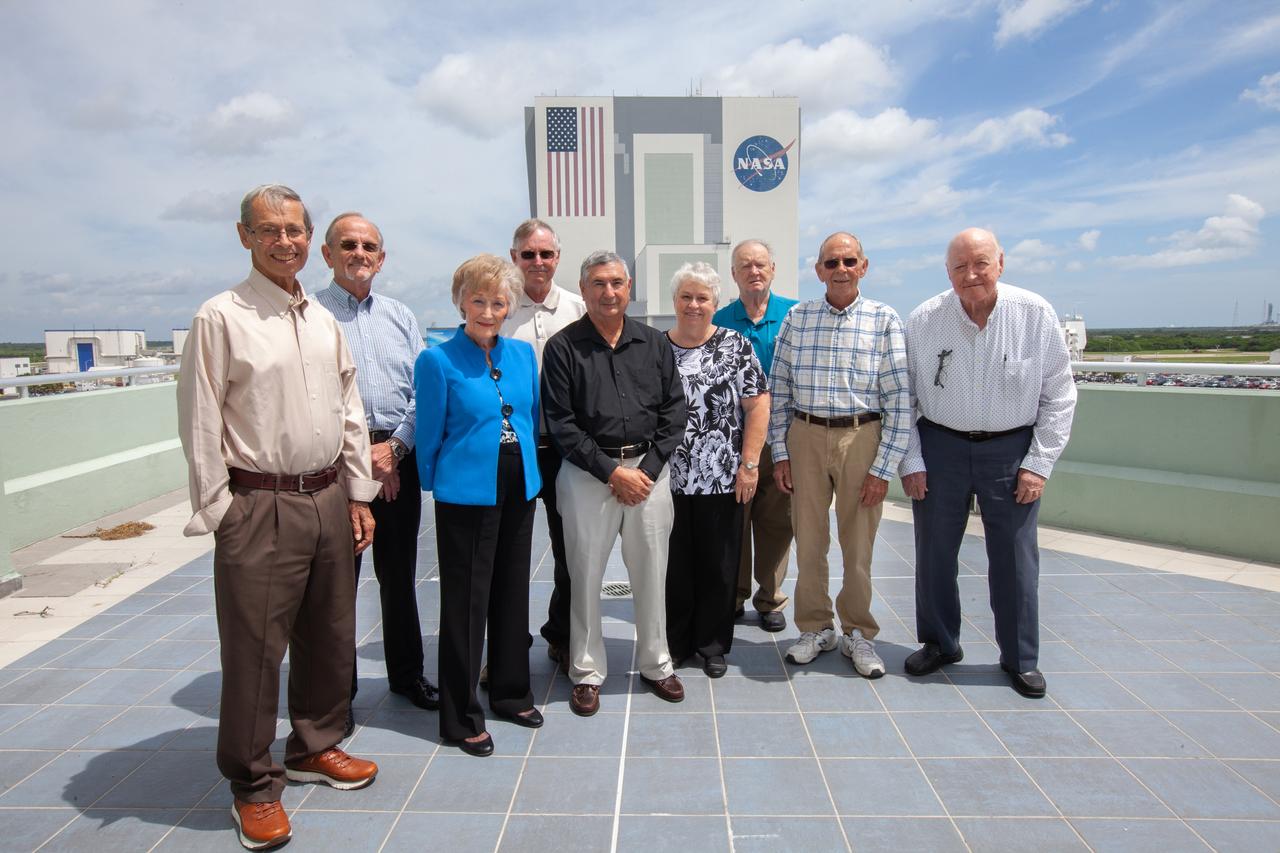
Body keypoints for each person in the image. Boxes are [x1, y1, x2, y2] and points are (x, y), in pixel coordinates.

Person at [177, 184, 380, 851]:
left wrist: (356, 492)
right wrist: (220, 511)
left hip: (326, 496)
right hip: (258, 500)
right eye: (270, 230)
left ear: (307, 235)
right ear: (245, 237)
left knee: (330, 631)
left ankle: (315, 744)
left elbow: (349, 410)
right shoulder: (222, 316)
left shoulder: (320, 319)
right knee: (256, 650)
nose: (284, 241)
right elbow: (202, 418)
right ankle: (253, 782)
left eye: (294, 229)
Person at [900, 227, 1076, 698]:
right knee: (934, 554)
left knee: (1015, 559)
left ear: (1001, 262)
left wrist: (1038, 463)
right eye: (960, 266)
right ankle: (940, 642)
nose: (971, 274)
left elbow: (1059, 394)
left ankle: (1019, 657)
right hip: (940, 447)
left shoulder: (1034, 314)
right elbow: (904, 398)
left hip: (1011, 450)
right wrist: (911, 460)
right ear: (947, 272)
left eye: (980, 263)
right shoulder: (924, 319)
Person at [542, 251, 688, 715]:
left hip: (649, 475)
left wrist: (645, 471)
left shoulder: (653, 343)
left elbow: (674, 412)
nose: (608, 292)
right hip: (588, 477)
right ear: (584, 290)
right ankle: (585, 671)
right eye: (598, 284)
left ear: (630, 288)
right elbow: (561, 422)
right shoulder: (564, 348)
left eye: (617, 283)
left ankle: (656, 663)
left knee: (652, 572)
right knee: (583, 576)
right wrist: (611, 472)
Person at [415, 254, 544, 756]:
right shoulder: (437, 360)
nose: (488, 311)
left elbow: (530, 417)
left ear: (509, 306)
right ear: (460, 301)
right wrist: (436, 483)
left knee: (512, 594)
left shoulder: (521, 356)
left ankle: (511, 693)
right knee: (466, 605)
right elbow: (429, 433)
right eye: (478, 300)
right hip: (466, 493)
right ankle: (460, 715)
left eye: (498, 302)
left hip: (518, 483)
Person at [316, 213, 438, 737]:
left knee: (398, 576)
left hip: (395, 458)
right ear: (328, 255)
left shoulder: (400, 316)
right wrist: (356, 460)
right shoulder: (312, 315)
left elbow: (422, 392)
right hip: (333, 464)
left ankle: (407, 675)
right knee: (337, 584)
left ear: (381, 258)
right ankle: (334, 695)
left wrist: (395, 449)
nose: (359, 253)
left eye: (369, 246)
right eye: (348, 244)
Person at [768, 232, 910, 679]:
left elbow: (900, 398)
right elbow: (780, 389)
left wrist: (883, 467)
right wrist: (780, 453)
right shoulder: (798, 317)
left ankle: (858, 633)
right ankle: (814, 628)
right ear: (819, 271)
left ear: (863, 266)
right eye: (831, 263)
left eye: (849, 261)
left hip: (861, 436)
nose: (841, 269)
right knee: (808, 540)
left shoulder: (884, 319)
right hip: (806, 435)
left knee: (859, 546)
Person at [665, 263, 769, 677]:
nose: (694, 305)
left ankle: (712, 645)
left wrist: (749, 464)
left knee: (719, 564)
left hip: (723, 477)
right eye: (686, 297)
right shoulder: (656, 348)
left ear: (714, 302)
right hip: (666, 479)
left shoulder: (735, 345)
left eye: (702, 297)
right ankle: (674, 642)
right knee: (673, 565)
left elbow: (757, 403)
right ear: (674, 301)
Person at [501, 218, 587, 670]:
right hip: (511, 450)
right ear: (514, 257)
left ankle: (563, 634)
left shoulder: (578, 309)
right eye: (528, 254)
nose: (538, 262)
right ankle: (505, 648)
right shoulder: (498, 309)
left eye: (546, 254)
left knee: (571, 551)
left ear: (558, 258)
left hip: (564, 450)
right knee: (505, 557)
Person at [713, 239, 797, 633]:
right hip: (734, 441)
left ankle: (770, 598)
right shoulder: (720, 320)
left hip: (782, 438)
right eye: (745, 266)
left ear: (773, 269)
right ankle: (732, 595)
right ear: (734, 274)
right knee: (735, 520)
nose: (754, 271)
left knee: (776, 521)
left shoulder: (794, 316)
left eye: (760, 264)